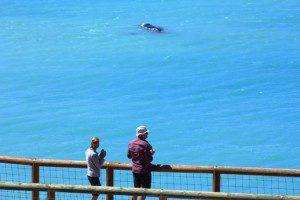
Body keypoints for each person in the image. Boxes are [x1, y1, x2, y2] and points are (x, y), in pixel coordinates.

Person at [127, 126, 155, 200]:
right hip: (145, 170)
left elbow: (129, 156)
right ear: (142, 134)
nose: (147, 134)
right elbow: (149, 159)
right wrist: (151, 154)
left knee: (135, 190)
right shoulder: (146, 145)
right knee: (145, 190)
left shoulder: (131, 143)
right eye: (146, 133)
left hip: (135, 170)